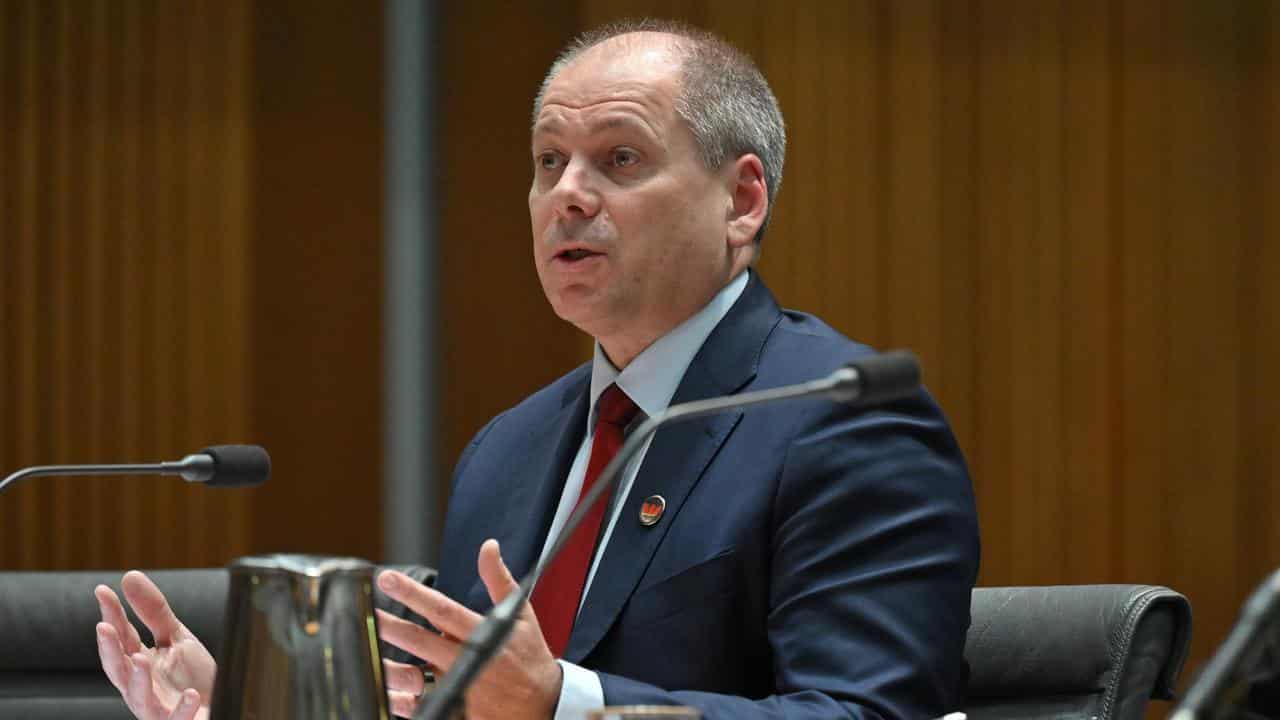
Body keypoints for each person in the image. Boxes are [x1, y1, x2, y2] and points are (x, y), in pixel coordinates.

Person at [93, 19, 980, 720]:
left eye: (620, 159)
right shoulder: (508, 451)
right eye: (548, 161)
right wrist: (241, 706)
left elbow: (869, 713)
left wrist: (568, 705)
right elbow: (435, 704)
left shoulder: (842, 419)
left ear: (742, 200)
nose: (568, 195)